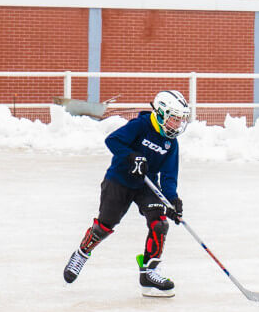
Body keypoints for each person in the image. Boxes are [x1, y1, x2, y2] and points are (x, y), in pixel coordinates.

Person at [63, 89, 189, 297]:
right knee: (104, 226)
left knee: (160, 223)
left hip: (146, 186)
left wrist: (172, 200)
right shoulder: (141, 126)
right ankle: (82, 253)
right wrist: (132, 156)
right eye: (174, 119)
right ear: (161, 113)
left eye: (180, 120)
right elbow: (112, 141)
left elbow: (168, 175)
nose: (177, 125)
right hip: (119, 181)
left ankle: (149, 271)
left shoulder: (171, 143)